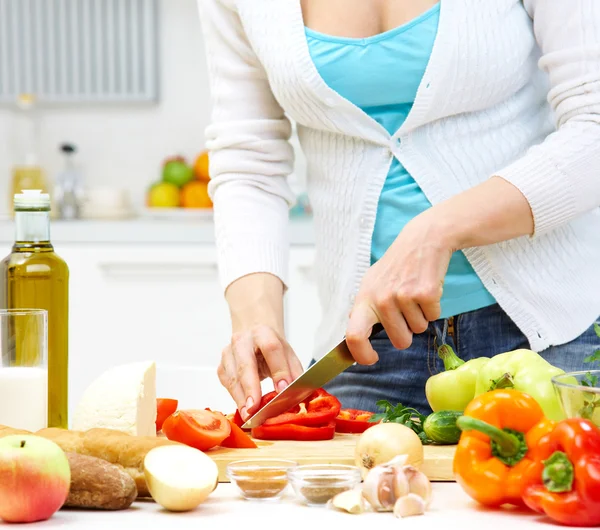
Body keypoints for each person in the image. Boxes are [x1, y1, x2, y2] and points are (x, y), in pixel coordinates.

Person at [197, 0, 600, 419]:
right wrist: (256, 319)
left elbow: (594, 125)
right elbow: (248, 162)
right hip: (367, 347)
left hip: (552, 336)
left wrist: (435, 232)